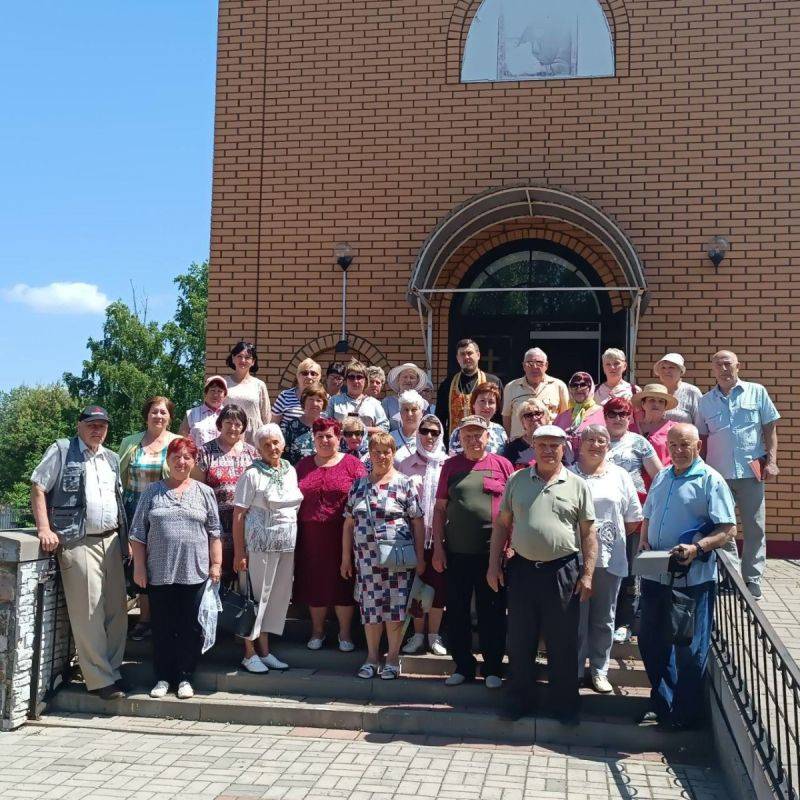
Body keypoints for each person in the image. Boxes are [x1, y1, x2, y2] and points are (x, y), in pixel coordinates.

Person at [487, 425, 597, 725]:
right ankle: (517, 703)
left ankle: (564, 707)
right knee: (521, 639)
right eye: (542, 445)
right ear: (533, 447)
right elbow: (501, 525)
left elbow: (588, 534)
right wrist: (493, 564)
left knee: (562, 642)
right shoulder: (517, 480)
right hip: (522, 570)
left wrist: (587, 574)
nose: (548, 451)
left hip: (563, 570)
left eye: (554, 445)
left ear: (564, 448)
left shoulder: (577, 484)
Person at [637, 424, 736, 729]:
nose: (678, 451)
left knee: (690, 650)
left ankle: (685, 712)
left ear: (698, 447)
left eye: (685, 445)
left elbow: (727, 529)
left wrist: (697, 548)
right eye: (674, 445)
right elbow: (649, 514)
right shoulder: (663, 476)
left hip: (691, 579)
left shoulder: (711, 480)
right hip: (657, 575)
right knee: (650, 641)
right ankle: (663, 703)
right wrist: (643, 538)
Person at [30, 405, 129, 700]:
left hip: (111, 540)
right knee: (88, 611)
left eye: (102, 425)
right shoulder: (62, 450)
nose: (97, 430)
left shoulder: (111, 458)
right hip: (76, 540)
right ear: (79, 425)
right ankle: (99, 680)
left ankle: (112, 671)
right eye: (91, 424)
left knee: (116, 611)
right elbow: (38, 487)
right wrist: (44, 529)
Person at [130, 437, 222, 700]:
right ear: (167, 461)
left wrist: (216, 565)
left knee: (190, 627)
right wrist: (139, 568)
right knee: (162, 626)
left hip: (195, 571)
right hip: (159, 572)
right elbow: (138, 533)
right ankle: (162, 677)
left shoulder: (205, 492)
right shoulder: (152, 492)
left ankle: (184, 677)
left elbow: (215, 533)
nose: (182, 462)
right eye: (176, 457)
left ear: (194, 462)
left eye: (187, 457)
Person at [433, 415, 513, 688]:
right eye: (467, 434)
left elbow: (512, 510)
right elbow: (440, 508)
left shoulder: (502, 465)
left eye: (478, 434)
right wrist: (438, 549)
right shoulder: (451, 466)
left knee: (492, 612)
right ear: (460, 437)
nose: (473, 439)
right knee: (457, 612)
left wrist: (509, 546)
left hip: (493, 555)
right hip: (457, 553)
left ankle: (492, 668)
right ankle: (463, 667)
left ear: (488, 437)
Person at [697, 350, 780, 599]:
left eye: (728, 364)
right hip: (717, 474)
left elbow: (770, 429)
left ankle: (752, 579)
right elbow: (702, 438)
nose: (723, 368)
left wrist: (772, 461)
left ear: (738, 366)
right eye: (718, 364)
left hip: (752, 470)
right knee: (724, 526)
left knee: (755, 528)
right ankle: (731, 577)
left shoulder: (757, 392)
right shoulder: (705, 401)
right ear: (712, 369)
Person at [342, 433, 425, 679]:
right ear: (370, 454)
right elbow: (348, 524)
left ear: (393, 453)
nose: (381, 456)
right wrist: (345, 558)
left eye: (386, 451)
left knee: (396, 608)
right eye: (376, 451)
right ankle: (371, 657)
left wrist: (421, 557)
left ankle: (392, 657)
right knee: (370, 608)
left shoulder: (404, 483)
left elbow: (418, 521)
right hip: (366, 560)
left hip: (398, 560)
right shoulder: (358, 485)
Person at [569, 426, 642, 694]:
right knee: (576, 617)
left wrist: (606, 536)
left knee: (604, 617)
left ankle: (599, 670)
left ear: (608, 446)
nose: (596, 445)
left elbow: (633, 519)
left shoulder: (620, 476)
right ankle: (575, 669)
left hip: (610, 557)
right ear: (579, 443)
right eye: (590, 440)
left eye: (602, 441)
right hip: (574, 557)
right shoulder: (568, 474)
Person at [232, 424, 303, 673]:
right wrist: (240, 552)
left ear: (282, 444)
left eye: (276, 442)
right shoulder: (251, 474)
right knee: (254, 599)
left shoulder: (290, 471)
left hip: (285, 546)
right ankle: (248, 653)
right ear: (259, 448)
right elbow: (239, 513)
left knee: (274, 599)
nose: (273, 448)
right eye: (266, 444)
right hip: (258, 547)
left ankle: (265, 651)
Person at [294, 418, 367, 650]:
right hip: (310, 535)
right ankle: (317, 631)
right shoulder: (303, 465)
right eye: (320, 436)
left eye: (329, 436)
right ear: (313, 439)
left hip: (343, 534)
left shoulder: (352, 464)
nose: (325, 440)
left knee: (343, 581)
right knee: (314, 581)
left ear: (339, 438)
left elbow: (363, 496)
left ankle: (345, 634)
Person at [118, 396, 180, 641]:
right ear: (147, 415)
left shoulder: (177, 442)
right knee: (139, 567)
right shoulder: (130, 442)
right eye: (154, 412)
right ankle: (145, 619)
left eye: (163, 412)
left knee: (165, 565)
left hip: (166, 511)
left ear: (170, 417)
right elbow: (119, 478)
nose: (159, 416)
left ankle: (165, 619)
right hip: (135, 510)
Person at [603, 396, 663, 644]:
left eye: (623, 414)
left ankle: (625, 622)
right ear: (605, 417)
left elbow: (659, 476)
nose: (618, 419)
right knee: (603, 568)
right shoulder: (596, 439)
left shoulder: (639, 442)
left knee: (629, 569)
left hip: (632, 515)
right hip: (602, 515)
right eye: (613, 414)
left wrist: (652, 510)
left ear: (631, 418)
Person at [396, 414, 449, 656]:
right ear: (417, 434)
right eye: (425, 431)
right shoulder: (404, 463)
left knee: (438, 588)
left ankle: (434, 636)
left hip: (440, 538)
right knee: (416, 586)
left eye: (434, 432)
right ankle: (417, 636)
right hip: (410, 536)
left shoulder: (448, 463)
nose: (429, 436)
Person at [193, 404, 258, 582]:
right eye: (228, 422)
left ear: (243, 427)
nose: (233, 428)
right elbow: (197, 490)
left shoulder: (253, 453)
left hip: (246, 526)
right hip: (215, 526)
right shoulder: (205, 452)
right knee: (217, 576)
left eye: (238, 424)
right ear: (220, 424)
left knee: (244, 578)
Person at [435, 338, 502, 440]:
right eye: (462, 354)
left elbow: (498, 416)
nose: (466, 357)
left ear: (478, 355)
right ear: (457, 358)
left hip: (486, 443)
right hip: (455, 444)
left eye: (469, 353)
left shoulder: (492, 382)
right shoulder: (447, 384)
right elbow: (440, 418)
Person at [502, 347, 568, 439]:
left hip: (549, 443)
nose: (535, 367)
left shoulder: (559, 386)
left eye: (539, 363)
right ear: (524, 366)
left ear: (546, 365)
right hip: (520, 445)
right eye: (530, 363)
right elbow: (507, 417)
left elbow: (565, 417)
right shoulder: (511, 387)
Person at [225, 341, 271, 445]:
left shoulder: (259, 385)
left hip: (254, 436)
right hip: (230, 432)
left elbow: (266, 416)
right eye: (239, 356)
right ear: (233, 358)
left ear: (253, 361)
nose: (243, 360)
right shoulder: (224, 383)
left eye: (247, 357)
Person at [553, 372, 605, 462]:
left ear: (591, 387)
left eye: (583, 385)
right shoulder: (562, 417)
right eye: (574, 385)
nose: (578, 389)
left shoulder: (604, 414)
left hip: (592, 466)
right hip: (566, 469)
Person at [328, 359, 389, 434]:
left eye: (359, 377)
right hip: (340, 444)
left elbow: (385, 428)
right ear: (345, 380)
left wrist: (363, 429)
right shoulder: (334, 400)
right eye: (351, 377)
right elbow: (326, 424)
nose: (355, 381)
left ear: (366, 381)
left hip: (366, 445)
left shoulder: (374, 403)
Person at [448, 381, 508, 456]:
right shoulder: (460, 431)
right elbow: (453, 462)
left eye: (491, 402)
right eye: (482, 401)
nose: (486, 406)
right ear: (473, 405)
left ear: (496, 407)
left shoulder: (500, 430)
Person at [632, 384, 679, 470]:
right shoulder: (631, 429)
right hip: (634, 481)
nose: (656, 404)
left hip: (664, 479)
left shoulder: (674, 429)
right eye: (651, 400)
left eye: (661, 401)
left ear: (665, 406)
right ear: (643, 404)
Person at [284, 383, 329, 465]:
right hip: (297, 474)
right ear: (304, 402)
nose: (315, 404)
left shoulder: (328, 427)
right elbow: (284, 456)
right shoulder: (291, 427)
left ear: (324, 404)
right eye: (311, 399)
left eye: (319, 400)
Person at [271, 358, 322, 429]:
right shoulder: (285, 396)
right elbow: (273, 425)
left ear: (319, 377)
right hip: (288, 439)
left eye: (313, 374)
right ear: (298, 376)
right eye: (305, 373)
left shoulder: (325, 398)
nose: (309, 377)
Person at [502, 397, 553, 468]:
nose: (534, 418)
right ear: (522, 423)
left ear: (547, 418)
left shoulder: (555, 443)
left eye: (538, 413)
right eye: (528, 415)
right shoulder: (512, 447)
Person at [179, 375, 228, 447]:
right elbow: (181, 439)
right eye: (212, 390)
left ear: (225, 396)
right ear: (205, 393)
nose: (215, 394)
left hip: (223, 457)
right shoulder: (191, 414)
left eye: (220, 391)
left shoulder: (228, 414)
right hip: (197, 457)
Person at [653, 353, 702, 425]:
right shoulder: (654, 391)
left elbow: (700, 423)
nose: (666, 371)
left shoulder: (692, 391)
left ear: (681, 372)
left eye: (671, 367)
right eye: (663, 368)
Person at [392, 389, 426, 456]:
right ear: (400, 412)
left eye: (414, 410)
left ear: (422, 413)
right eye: (406, 410)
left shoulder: (429, 437)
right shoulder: (391, 438)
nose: (409, 414)